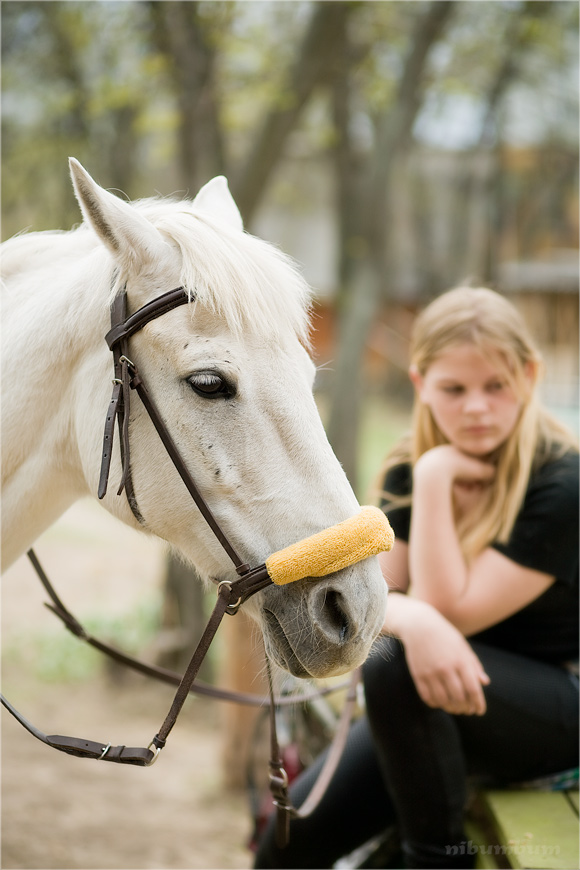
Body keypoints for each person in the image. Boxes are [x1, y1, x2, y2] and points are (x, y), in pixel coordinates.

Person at [254, 286, 579, 870]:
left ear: (529, 376)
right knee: (284, 842)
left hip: (555, 706)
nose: (475, 407)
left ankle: (433, 861)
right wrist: (414, 614)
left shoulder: (563, 483)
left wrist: (435, 478)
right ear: (421, 382)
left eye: (496, 386)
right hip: (437, 700)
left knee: (396, 661)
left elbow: (447, 610)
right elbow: (381, 595)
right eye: (454, 389)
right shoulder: (410, 462)